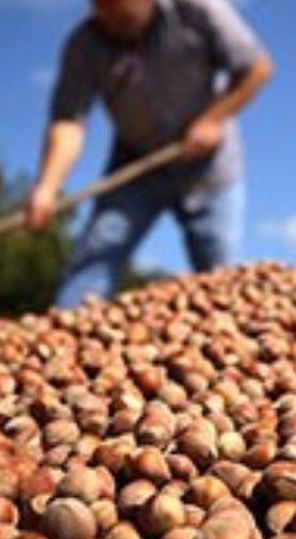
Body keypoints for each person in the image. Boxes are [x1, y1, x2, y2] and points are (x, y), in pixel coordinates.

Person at [26, 0, 274, 308]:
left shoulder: (199, 10)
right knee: (95, 256)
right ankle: (67, 325)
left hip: (210, 167)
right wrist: (47, 187)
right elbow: (69, 122)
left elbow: (256, 68)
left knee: (221, 275)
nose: (112, 12)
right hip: (136, 164)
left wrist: (213, 119)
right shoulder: (84, 45)